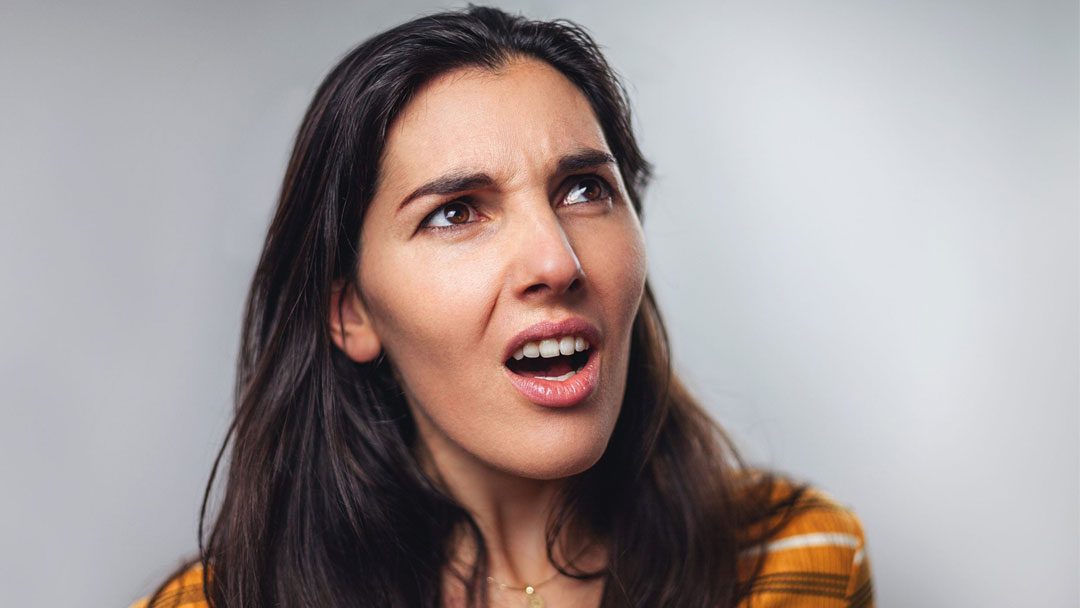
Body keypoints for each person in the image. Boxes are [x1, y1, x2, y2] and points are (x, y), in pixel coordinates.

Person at [134, 6, 873, 607]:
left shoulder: (796, 564)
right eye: (456, 212)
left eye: (585, 189)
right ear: (351, 312)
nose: (557, 262)